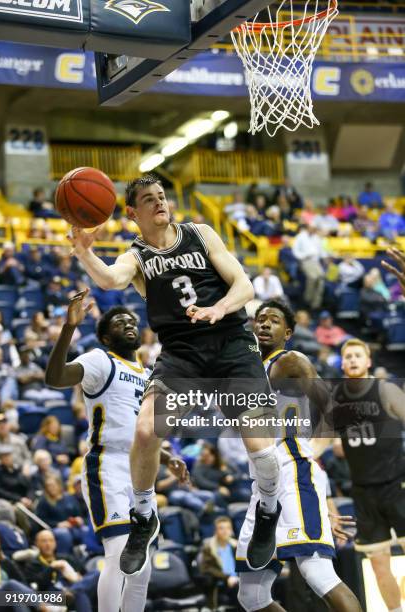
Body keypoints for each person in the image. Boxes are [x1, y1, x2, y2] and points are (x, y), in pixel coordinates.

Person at [69, 174, 282, 576]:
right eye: (148, 200)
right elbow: (111, 279)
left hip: (232, 342)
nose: (159, 203)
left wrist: (219, 308)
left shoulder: (199, 233)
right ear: (133, 213)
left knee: (263, 451)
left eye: (162, 196)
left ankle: (269, 509)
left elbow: (243, 285)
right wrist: (84, 253)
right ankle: (143, 515)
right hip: (182, 352)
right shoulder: (136, 256)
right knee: (147, 430)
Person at [45, 290, 188, 612]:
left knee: (143, 562)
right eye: (119, 322)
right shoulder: (100, 360)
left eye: (132, 321)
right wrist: (69, 329)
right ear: (106, 337)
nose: (128, 324)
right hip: (106, 463)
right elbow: (54, 377)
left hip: (141, 469)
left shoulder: (150, 375)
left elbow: (140, 432)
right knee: (119, 550)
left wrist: (168, 458)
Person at [236, 300, 362, 612]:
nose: (264, 324)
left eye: (274, 320)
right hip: (263, 486)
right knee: (251, 595)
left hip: (293, 474)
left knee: (317, 573)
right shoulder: (252, 371)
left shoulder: (289, 361)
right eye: (260, 319)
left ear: (288, 332)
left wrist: (309, 455)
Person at [317, 339, 405, 612]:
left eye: (358, 355)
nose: (353, 360)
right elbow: (320, 442)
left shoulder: (386, 389)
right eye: (348, 356)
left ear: (368, 361)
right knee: (379, 565)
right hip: (363, 490)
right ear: (342, 364)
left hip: (396, 484)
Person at [23, 529, 98, 612]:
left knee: (96, 573)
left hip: (70, 590)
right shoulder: (32, 564)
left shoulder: (66, 558)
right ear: (37, 544)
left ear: (55, 543)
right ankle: (73, 591)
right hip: (51, 596)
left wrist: (76, 577)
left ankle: (73, 590)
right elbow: (38, 587)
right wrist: (51, 568)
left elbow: (85, 574)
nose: (48, 544)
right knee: (80, 594)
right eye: (44, 541)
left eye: (51, 540)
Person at [199, 516, 239, 609]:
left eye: (228, 528)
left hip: (239, 579)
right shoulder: (208, 548)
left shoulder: (236, 545)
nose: (225, 531)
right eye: (221, 528)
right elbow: (206, 568)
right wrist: (227, 577)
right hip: (222, 582)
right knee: (240, 590)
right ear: (215, 531)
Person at [292, 225, 327, 310]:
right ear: (308, 228)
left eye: (314, 228)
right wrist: (304, 256)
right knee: (313, 277)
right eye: (312, 228)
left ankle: (316, 304)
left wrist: (326, 257)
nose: (313, 230)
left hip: (316, 262)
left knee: (321, 278)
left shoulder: (316, 238)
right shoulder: (300, 236)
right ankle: (308, 299)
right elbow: (295, 251)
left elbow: (321, 250)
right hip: (305, 261)